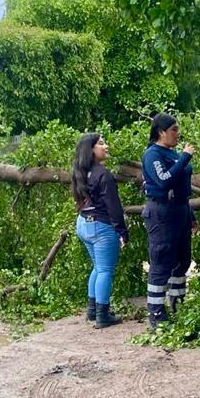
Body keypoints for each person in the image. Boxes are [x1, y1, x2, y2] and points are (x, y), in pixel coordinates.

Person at [141, 113, 198, 331]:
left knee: (182, 261)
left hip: (180, 210)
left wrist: (190, 215)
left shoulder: (171, 153)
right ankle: (156, 313)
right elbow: (164, 181)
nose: (178, 133)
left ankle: (178, 305)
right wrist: (184, 157)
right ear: (161, 132)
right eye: (174, 129)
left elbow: (183, 187)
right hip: (161, 211)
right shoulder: (152, 154)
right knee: (162, 261)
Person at [72, 133, 127, 328]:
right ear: (91, 149)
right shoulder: (103, 174)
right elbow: (113, 206)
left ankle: (92, 310)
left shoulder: (80, 172)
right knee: (105, 270)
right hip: (101, 227)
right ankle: (103, 315)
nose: (106, 146)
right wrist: (122, 231)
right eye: (101, 143)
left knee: (97, 267)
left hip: (83, 223)